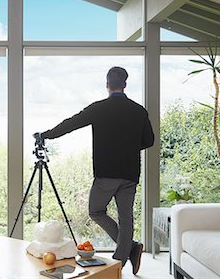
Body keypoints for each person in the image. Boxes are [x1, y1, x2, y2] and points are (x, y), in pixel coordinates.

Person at [36, 66, 154, 275]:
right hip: (129, 174)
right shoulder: (139, 110)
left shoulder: (98, 108)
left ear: (107, 85)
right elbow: (149, 140)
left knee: (96, 211)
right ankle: (123, 257)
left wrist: (46, 135)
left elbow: (71, 123)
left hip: (106, 173)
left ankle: (130, 249)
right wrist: (128, 146)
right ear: (125, 85)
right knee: (126, 219)